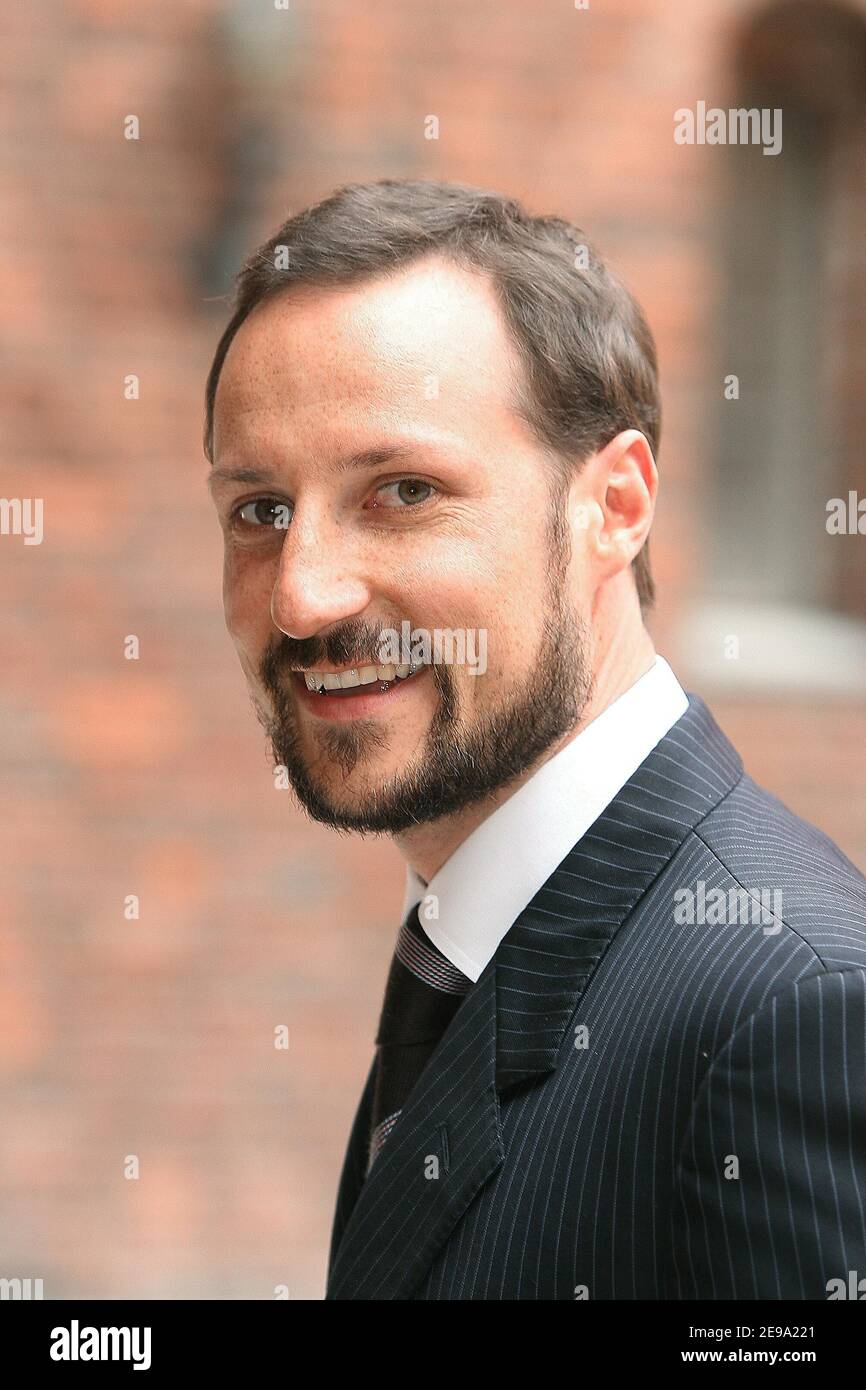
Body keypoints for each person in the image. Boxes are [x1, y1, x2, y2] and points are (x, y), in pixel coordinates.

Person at [203, 178, 866, 1300]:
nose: (302, 597)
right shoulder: (473, 944)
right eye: (260, 509)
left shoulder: (788, 1007)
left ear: (611, 506)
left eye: (402, 491)